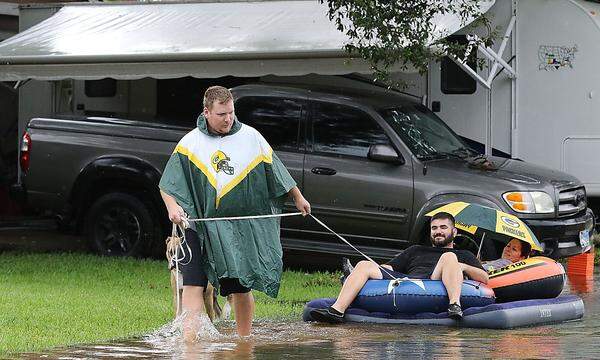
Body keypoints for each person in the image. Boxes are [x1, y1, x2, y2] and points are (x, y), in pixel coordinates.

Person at [159, 86, 311, 339]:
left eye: (231, 112)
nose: (228, 119)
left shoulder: (251, 137)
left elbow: (277, 171)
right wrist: (173, 208)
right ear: (206, 112)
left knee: (240, 288)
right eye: (221, 114)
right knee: (193, 285)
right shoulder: (190, 143)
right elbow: (167, 184)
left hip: (235, 230)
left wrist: (297, 197)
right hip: (197, 226)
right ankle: (190, 347)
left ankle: (243, 343)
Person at [310, 212, 488, 323]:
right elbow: (389, 267)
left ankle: (454, 305)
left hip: (435, 280)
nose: (438, 231)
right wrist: (364, 271)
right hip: (407, 281)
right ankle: (337, 311)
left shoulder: (463, 254)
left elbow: (485, 279)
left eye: (443, 227)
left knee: (449, 256)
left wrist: (462, 266)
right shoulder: (416, 249)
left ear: (454, 231)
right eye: (434, 228)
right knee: (365, 264)